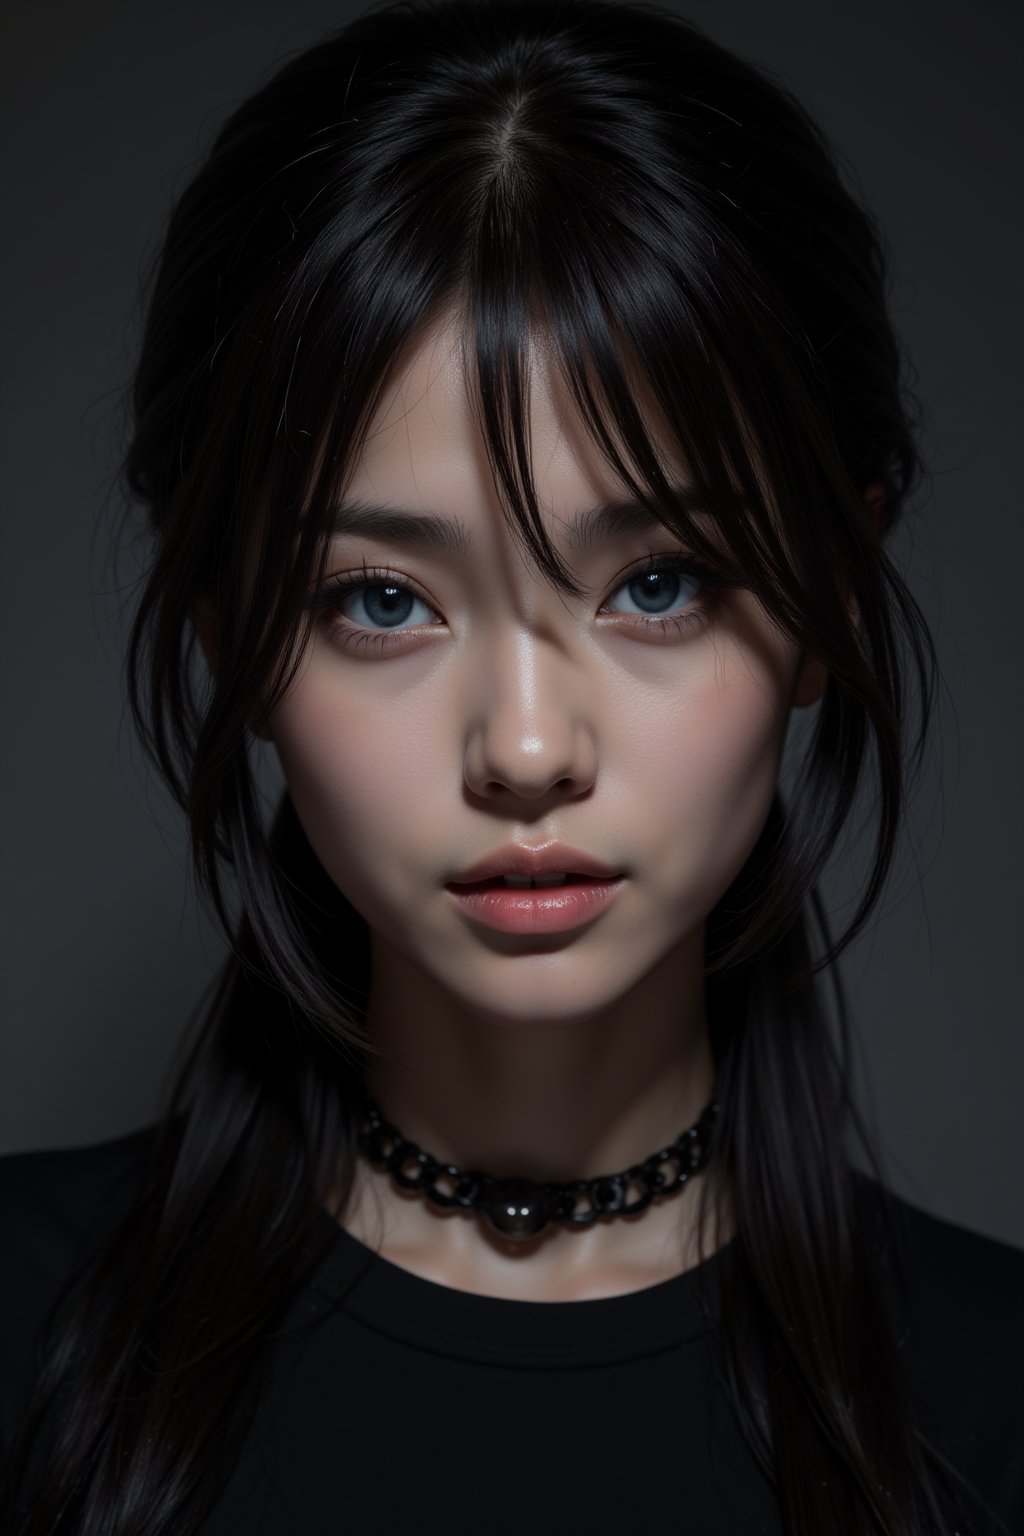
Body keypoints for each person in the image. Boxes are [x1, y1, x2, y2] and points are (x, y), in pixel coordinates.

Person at [1, 0, 1021, 1531]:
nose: (528, 749)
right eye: (384, 600)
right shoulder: (24, 1340)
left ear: (833, 600)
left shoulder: (995, 1402)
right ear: (234, 643)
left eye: (659, 582)